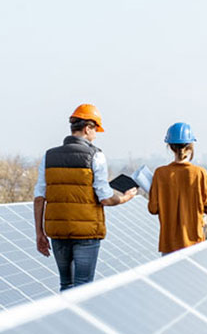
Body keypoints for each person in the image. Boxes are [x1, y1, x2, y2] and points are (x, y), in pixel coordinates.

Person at [33, 104, 137, 290]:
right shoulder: (95, 155)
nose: (95, 135)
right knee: (84, 288)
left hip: (58, 231)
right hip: (87, 233)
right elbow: (104, 197)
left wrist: (39, 233)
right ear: (87, 128)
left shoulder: (49, 156)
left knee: (66, 284)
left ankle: (65, 319)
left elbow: (39, 197)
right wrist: (125, 198)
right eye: (95, 129)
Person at [147, 122, 207, 254]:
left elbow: (153, 208)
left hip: (169, 244)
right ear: (191, 146)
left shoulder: (160, 173)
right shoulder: (200, 173)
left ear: (170, 147)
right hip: (194, 242)